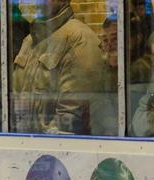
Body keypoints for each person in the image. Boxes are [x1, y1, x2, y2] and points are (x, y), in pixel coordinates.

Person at [10, 0, 107, 135]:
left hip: (54, 145)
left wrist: (39, 142)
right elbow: (15, 101)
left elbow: (71, 118)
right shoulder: (30, 40)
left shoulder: (79, 38)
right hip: (22, 141)